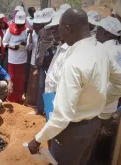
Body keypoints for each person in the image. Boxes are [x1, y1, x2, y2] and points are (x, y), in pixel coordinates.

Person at [28, 8, 121, 165]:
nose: (58, 33)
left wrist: (37, 140)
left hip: (71, 132)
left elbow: (62, 117)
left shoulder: (73, 63)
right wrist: (102, 102)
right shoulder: (101, 50)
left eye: (59, 28)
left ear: (67, 29)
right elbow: (119, 82)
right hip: (93, 125)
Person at [89, 16, 121, 165]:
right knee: (104, 143)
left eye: (99, 30)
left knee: (93, 143)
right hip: (111, 106)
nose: (96, 33)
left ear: (108, 33)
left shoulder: (104, 50)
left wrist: (102, 100)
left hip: (100, 106)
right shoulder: (117, 48)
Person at [25, 9, 54, 108]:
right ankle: (40, 106)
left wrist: (38, 64)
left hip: (46, 63)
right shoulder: (34, 32)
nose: (37, 26)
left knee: (46, 86)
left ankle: (45, 108)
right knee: (39, 85)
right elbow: (34, 49)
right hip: (38, 61)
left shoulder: (47, 32)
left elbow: (44, 50)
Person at [34, 8, 57, 114]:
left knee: (52, 88)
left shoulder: (57, 31)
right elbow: (38, 49)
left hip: (54, 64)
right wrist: (36, 66)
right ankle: (40, 109)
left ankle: (50, 111)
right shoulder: (41, 31)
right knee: (41, 86)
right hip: (43, 64)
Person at [3, 10, 28, 103]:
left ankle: (19, 98)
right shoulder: (10, 29)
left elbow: (29, 45)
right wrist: (11, 46)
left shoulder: (26, 31)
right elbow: (4, 42)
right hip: (12, 60)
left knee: (20, 80)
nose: (20, 26)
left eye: (21, 24)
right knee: (12, 79)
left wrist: (24, 44)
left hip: (22, 59)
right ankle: (10, 98)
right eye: (18, 24)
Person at [44, 10, 71, 94]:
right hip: (49, 94)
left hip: (58, 98)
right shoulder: (60, 47)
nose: (52, 31)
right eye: (52, 28)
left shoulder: (70, 50)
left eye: (56, 28)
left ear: (67, 28)